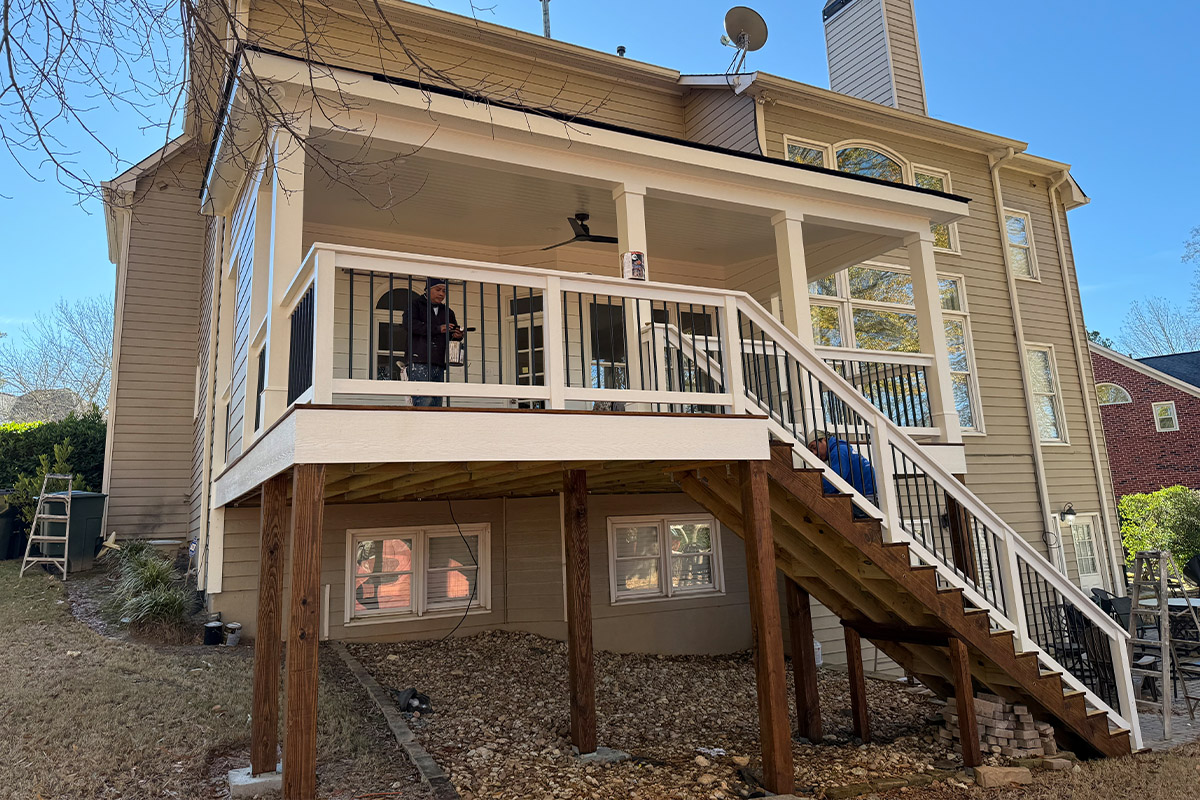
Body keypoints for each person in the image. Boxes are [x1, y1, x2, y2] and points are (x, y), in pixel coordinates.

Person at [407, 278, 463, 407]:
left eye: (444, 291)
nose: (441, 294)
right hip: (419, 361)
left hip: (439, 362)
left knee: (437, 404)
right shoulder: (415, 305)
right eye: (438, 290)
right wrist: (438, 328)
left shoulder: (448, 312)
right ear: (427, 290)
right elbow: (409, 324)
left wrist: (457, 336)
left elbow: (450, 336)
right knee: (423, 402)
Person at [807, 430, 876, 503]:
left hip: (868, 497)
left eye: (814, 447)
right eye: (811, 451)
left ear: (824, 440)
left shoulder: (839, 452)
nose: (814, 453)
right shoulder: (842, 448)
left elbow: (835, 480)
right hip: (870, 494)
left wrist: (814, 489)